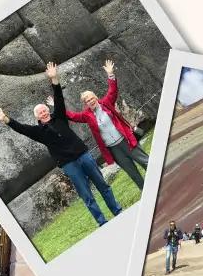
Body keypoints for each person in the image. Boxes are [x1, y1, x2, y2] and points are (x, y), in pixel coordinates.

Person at [0, 62, 122, 227]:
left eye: (44, 110)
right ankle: (102, 222)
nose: (43, 113)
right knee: (87, 195)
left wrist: (54, 78)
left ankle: (117, 211)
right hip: (69, 164)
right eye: (40, 112)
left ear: (48, 111)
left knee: (103, 185)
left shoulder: (59, 117)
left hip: (83, 155)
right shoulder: (38, 131)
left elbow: (58, 98)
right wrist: (5, 119)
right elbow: (20, 128)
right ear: (37, 117)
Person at [63, 59, 149, 189]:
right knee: (133, 173)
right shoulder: (86, 115)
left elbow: (113, 90)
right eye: (87, 101)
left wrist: (110, 74)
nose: (91, 101)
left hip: (125, 140)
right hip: (114, 149)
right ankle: (146, 191)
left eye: (92, 98)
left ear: (96, 97)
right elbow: (72, 116)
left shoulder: (106, 103)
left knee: (146, 162)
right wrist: (58, 108)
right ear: (85, 104)